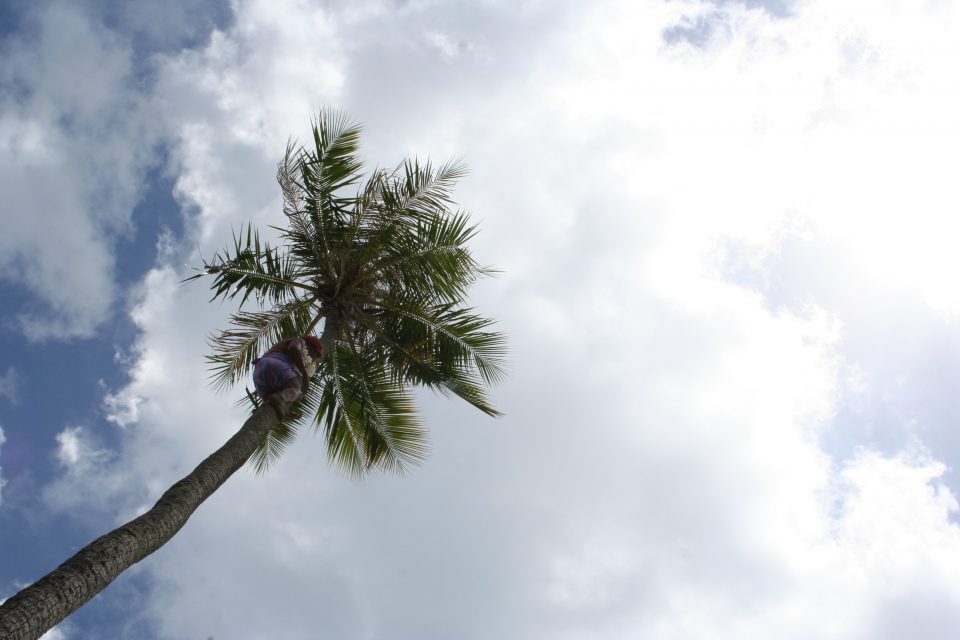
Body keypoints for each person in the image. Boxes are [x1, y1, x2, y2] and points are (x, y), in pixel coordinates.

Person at [253, 335, 324, 418]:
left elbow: (271, 400)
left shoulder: (281, 347)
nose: (312, 357)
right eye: (314, 354)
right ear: (311, 345)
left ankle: (280, 404)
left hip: (258, 372)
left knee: (271, 400)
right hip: (275, 364)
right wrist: (304, 374)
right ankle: (281, 398)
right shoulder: (300, 341)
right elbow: (293, 348)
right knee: (295, 390)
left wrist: (287, 414)